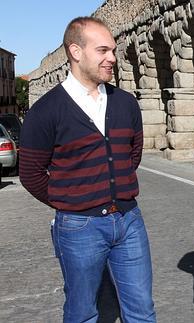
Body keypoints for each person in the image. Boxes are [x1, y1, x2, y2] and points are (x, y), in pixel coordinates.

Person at [19, 17, 156, 322]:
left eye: (114, 50)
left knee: (142, 311)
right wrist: (70, 200)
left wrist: (115, 189)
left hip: (129, 220)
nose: (112, 58)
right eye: (103, 50)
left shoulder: (126, 104)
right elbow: (30, 174)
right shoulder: (46, 111)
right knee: (82, 312)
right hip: (79, 227)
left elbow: (131, 156)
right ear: (76, 52)